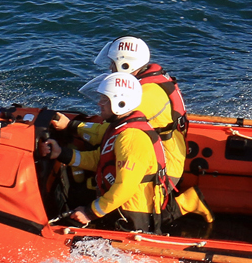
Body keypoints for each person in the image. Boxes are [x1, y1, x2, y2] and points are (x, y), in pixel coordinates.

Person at [50, 36, 211, 224]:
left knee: (128, 200)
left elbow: (110, 132)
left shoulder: (143, 97)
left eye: (113, 64)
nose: (110, 68)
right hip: (161, 151)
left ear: (125, 65)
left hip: (165, 165)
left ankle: (185, 204)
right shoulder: (146, 84)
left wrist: (72, 126)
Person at [43, 72, 171, 232]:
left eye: (104, 100)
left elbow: (124, 188)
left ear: (121, 103)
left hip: (130, 218)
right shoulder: (120, 128)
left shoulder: (131, 138)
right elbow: (100, 160)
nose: (99, 104)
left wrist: (90, 213)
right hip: (116, 207)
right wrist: (61, 154)